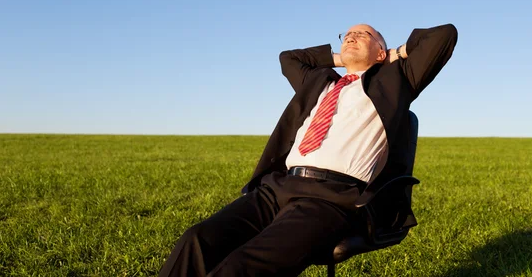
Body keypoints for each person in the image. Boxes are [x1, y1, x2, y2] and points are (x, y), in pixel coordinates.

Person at [159, 23, 458, 277]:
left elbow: (444, 35)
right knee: (196, 240)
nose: (351, 36)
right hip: (277, 188)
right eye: (348, 34)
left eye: (364, 35)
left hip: (331, 199)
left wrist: (392, 56)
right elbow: (289, 58)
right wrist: (343, 58)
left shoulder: (396, 81)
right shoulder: (319, 82)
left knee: (242, 266)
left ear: (381, 52)